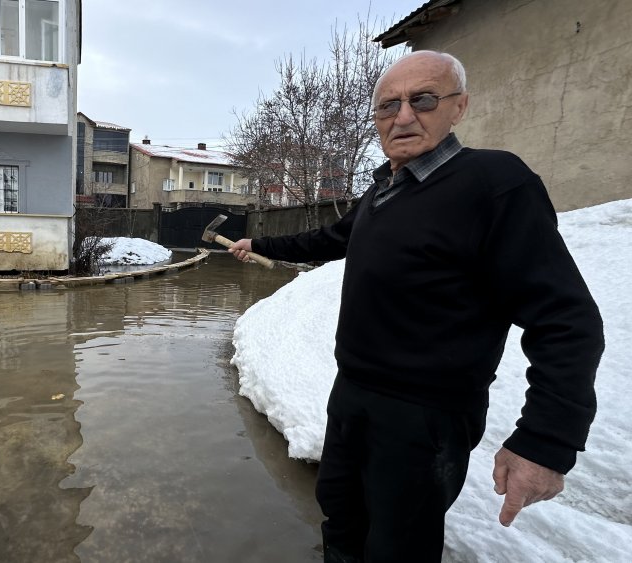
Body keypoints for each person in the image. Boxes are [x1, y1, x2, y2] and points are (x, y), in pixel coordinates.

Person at [230, 51, 604, 562]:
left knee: (398, 546)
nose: (403, 116)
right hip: (352, 393)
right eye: (388, 106)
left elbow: (567, 320)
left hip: (426, 417)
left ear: (459, 106)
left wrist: (546, 442)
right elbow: (330, 238)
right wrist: (259, 244)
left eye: (423, 100)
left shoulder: (494, 183)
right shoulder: (383, 190)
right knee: (341, 517)